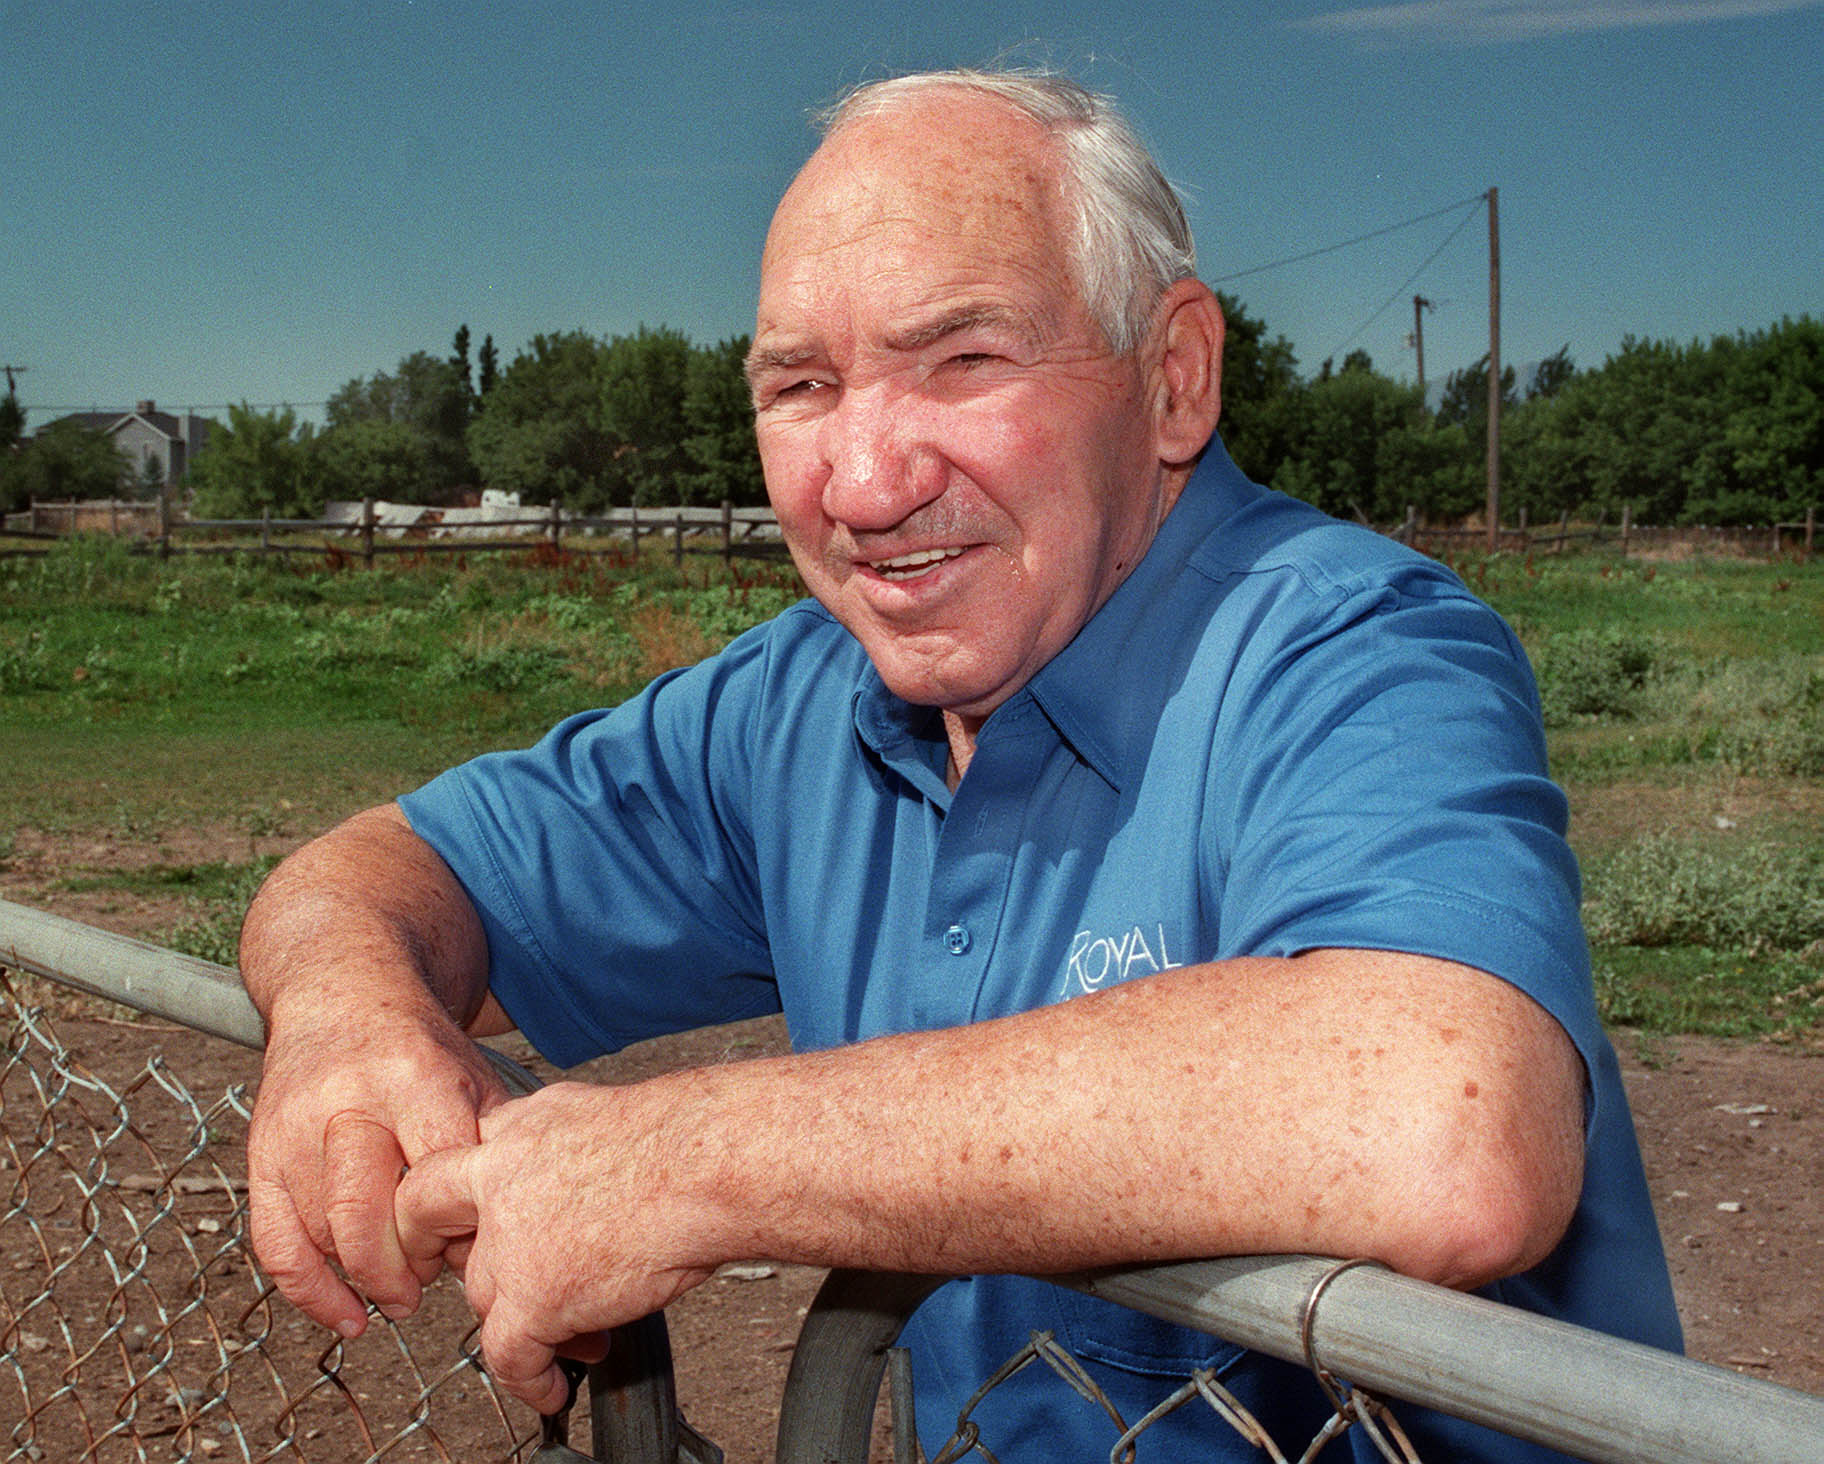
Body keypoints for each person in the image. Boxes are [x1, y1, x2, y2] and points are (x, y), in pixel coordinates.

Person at [241, 69, 1681, 1462]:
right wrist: (344, 1015)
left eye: (964, 360)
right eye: (800, 385)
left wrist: (683, 1162)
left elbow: (1446, 1119)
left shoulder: (1351, 649)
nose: (863, 486)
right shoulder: (805, 702)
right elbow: (395, 867)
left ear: (1174, 380)